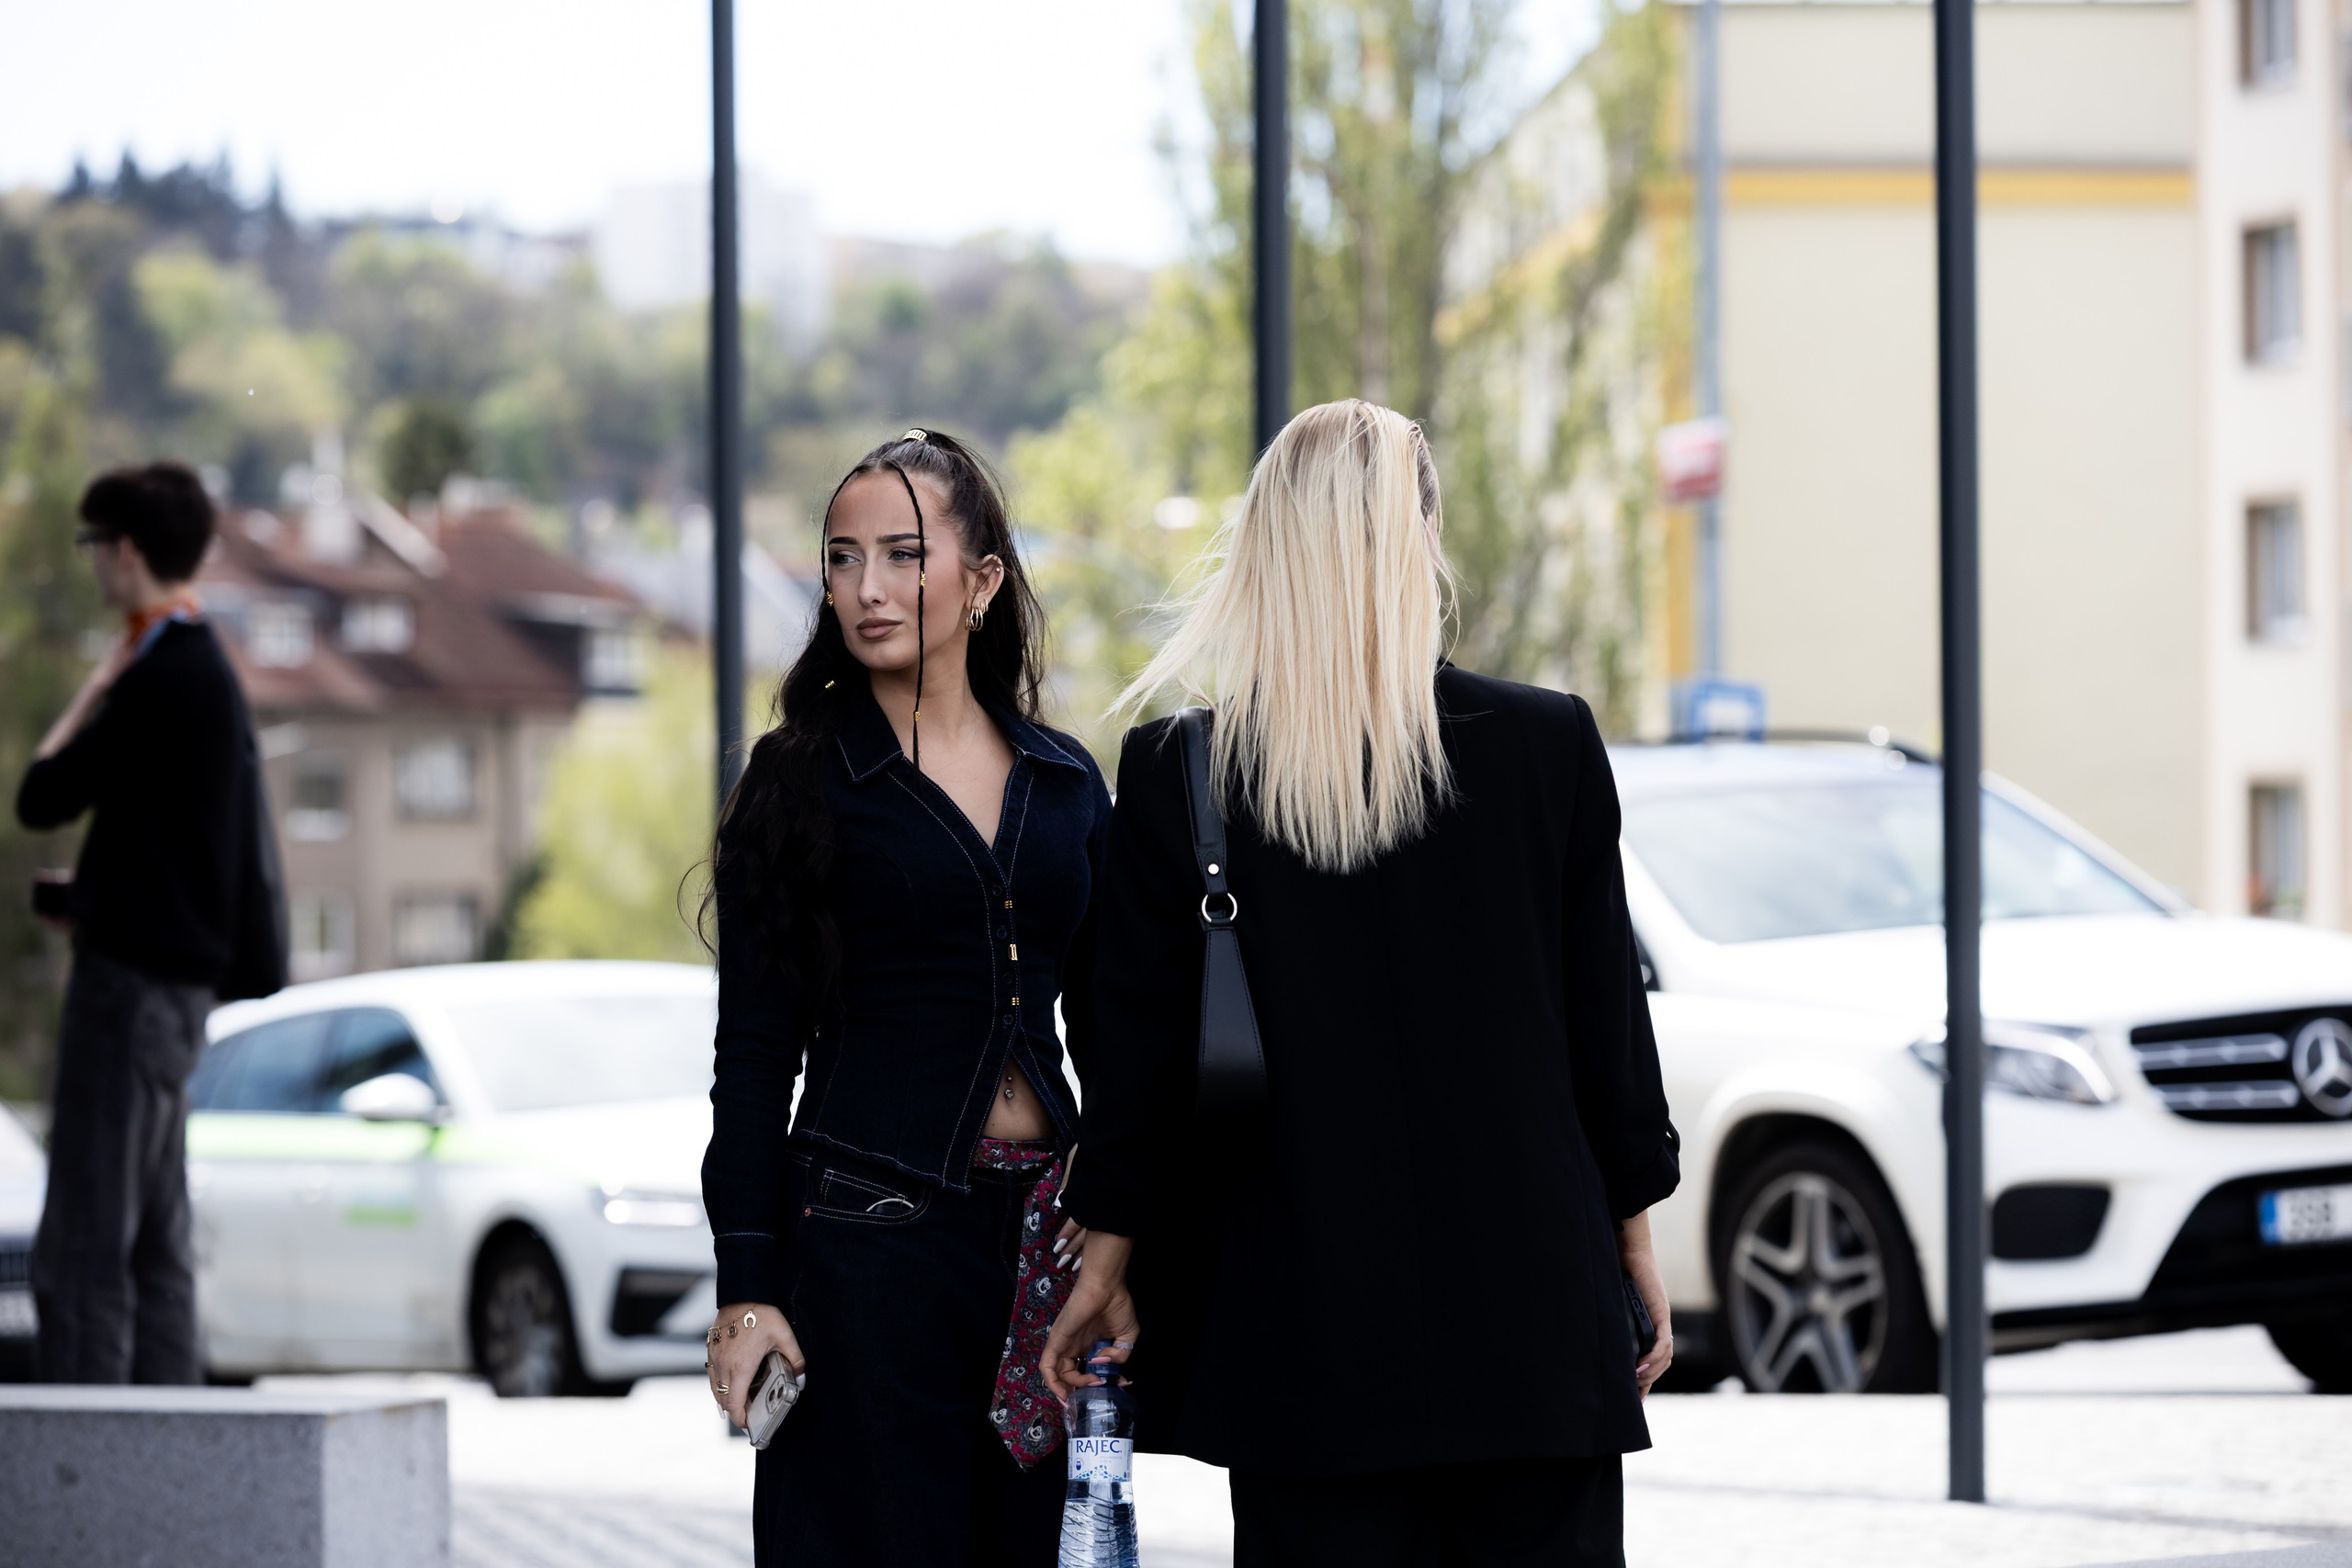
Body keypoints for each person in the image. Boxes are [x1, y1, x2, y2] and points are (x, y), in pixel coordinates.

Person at [1042, 400, 1680, 1567]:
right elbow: (1607, 1036)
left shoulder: (1184, 773)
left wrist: (1105, 1266)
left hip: (1301, 1343)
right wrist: (1628, 1239)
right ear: (1421, 542)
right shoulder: (1547, 746)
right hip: (1531, 1320)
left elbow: (1135, 1064)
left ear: (1264, 551)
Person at [700, 430, 1114, 1567]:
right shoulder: (797, 784)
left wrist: (1122, 1230)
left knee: (1038, 1548)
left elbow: (1122, 1030)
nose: (866, 588)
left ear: (981, 582)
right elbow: (752, 1055)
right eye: (842, 558)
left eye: (901, 554)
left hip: (1048, 1247)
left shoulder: (1068, 783)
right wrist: (747, 1288)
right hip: (863, 1237)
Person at [16, 460, 286, 1384]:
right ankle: (174, 1456)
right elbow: (180, 851)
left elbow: (40, 793)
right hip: (175, 1000)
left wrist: (99, 683)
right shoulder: (210, 667)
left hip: (125, 994)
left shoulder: (160, 671)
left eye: (95, 544)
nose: (93, 563)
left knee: (85, 1252)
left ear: (125, 550)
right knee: (156, 1252)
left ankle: (85, 1483)